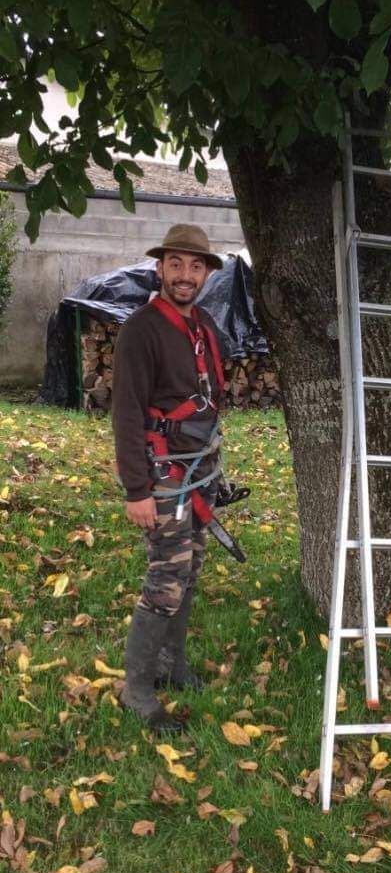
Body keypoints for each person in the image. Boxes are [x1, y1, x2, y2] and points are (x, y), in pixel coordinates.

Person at [111, 223, 228, 732]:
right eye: (175, 264)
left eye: (195, 265)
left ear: (205, 273)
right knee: (165, 579)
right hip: (161, 479)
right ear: (160, 268)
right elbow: (126, 413)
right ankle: (136, 691)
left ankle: (171, 666)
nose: (185, 275)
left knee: (190, 573)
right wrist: (137, 490)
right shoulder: (142, 329)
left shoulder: (203, 325)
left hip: (198, 475)